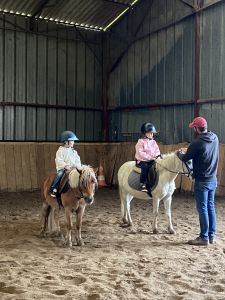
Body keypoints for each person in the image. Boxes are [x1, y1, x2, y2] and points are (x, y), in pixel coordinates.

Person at [177, 117, 219, 246]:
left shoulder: (196, 143)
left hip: (201, 181)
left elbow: (186, 158)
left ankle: (203, 237)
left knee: (202, 209)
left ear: (196, 128)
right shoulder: (215, 138)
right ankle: (211, 235)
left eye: (193, 128)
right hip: (213, 179)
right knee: (210, 207)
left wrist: (179, 153)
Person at [50, 130, 81, 197]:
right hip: (64, 169)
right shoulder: (60, 151)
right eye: (72, 141)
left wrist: (77, 166)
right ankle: (54, 188)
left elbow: (77, 160)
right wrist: (65, 166)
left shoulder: (74, 152)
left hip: (73, 169)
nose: (73, 142)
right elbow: (59, 160)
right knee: (60, 174)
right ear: (66, 142)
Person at [135, 122, 160, 192]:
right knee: (145, 167)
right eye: (150, 133)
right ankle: (142, 183)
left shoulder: (153, 142)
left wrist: (157, 156)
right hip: (142, 160)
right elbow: (141, 153)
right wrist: (150, 157)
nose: (152, 135)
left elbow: (157, 150)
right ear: (144, 133)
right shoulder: (140, 142)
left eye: (152, 133)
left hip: (152, 159)